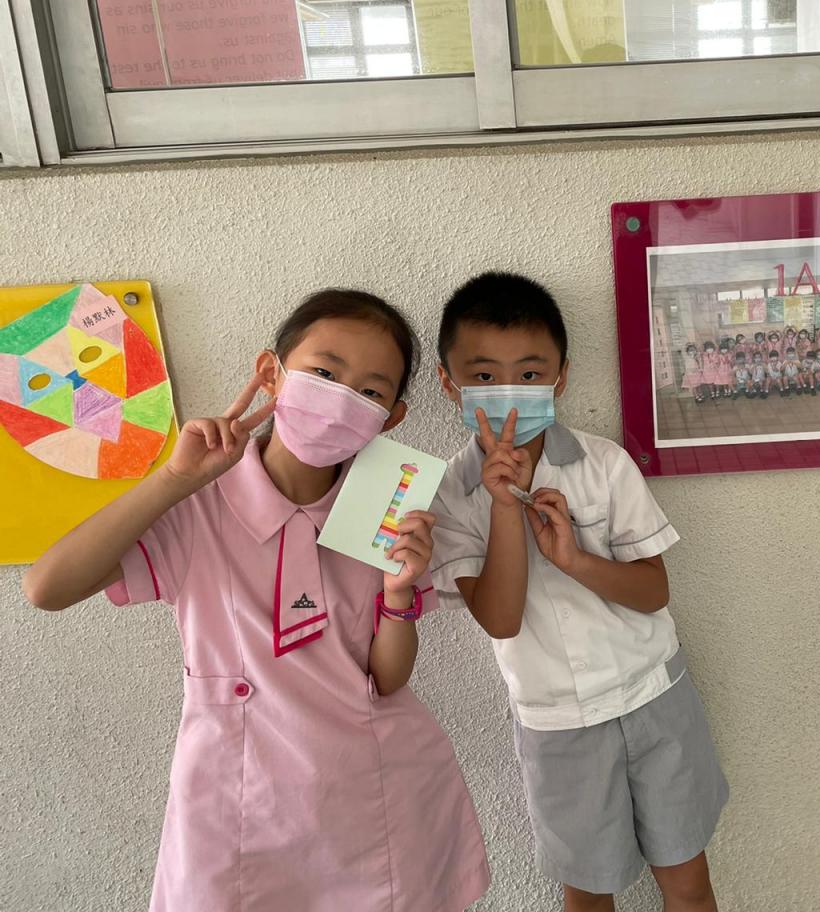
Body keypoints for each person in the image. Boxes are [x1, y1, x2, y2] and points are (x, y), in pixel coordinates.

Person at [22, 289, 490, 912]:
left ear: (391, 417)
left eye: (370, 391)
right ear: (272, 372)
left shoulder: (390, 506)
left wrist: (399, 591)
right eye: (325, 373)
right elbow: (47, 588)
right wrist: (173, 480)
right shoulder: (197, 506)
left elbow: (387, 679)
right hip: (238, 805)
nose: (341, 399)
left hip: (375, 799)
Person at [430, 272, 727, 912]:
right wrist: (503, 507)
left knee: (688, 882)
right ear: (448, 383)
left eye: (529, 373)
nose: (509, 392)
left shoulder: (603, 464)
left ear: (560, 378)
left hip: (653, 697)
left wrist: (573, 560)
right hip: (558, 724)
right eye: (484, 376)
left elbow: (653, 590)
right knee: (588, 895)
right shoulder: (452, 495)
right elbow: (500, 619)